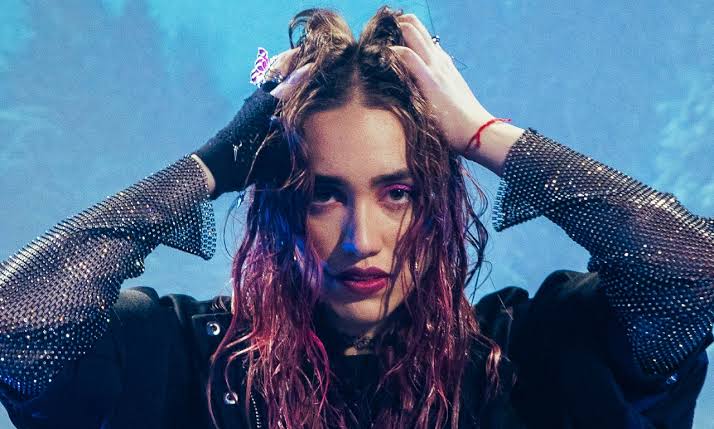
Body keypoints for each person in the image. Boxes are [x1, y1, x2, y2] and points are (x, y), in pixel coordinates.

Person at [0, 6, 712, 429]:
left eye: (397, 192)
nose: (360, 240)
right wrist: (212, 165)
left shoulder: (525, 357)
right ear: (279, 205)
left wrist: (483, 134)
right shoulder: (189, 362)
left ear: (437, 201)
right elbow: (17, 320)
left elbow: (693, 274)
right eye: (324, 194)